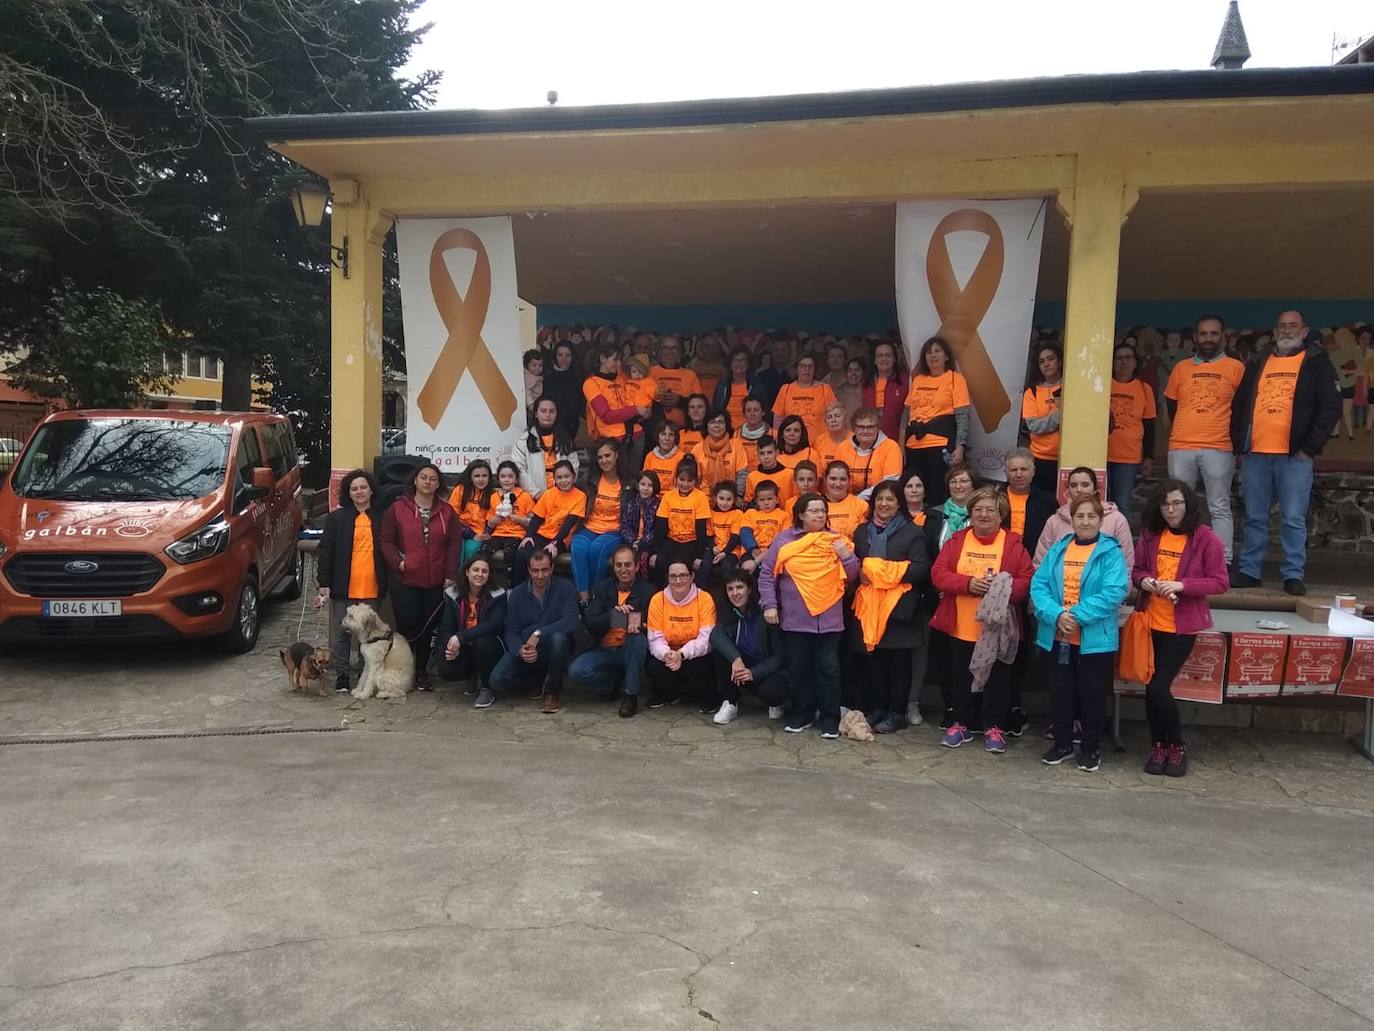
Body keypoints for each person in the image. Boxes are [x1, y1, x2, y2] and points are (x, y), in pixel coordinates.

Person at [1230, 309, 1341, 595]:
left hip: (1295, 457)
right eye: (1282, 326)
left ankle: (1293, 574)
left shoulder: (1317, 363)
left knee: (1293, 518)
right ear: (1274, 330)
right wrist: (1238, 442)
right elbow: (1240, 403)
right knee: (1254, 516)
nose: (1287, 330)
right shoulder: (1258, 361)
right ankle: (1250, 571)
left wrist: (1309, 448)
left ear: (1304, 331)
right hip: (1255, 454)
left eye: (1293, 326)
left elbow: (1330, 408)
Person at [1132, 479, 1230, 777]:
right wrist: (1146, 581)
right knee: (1151, 689)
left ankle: (1176, 746)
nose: (1171, 510)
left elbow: (1220, 582)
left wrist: (1182, 585)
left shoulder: (1205, 539)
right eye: (1165, 504)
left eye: (1177, 503)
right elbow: (1137, 571)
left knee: (1160, 687)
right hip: (1151, 621)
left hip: (1181, 626)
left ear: (1188, 505)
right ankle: (1157, 745)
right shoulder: (1150, 535)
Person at [1031, 495, 1130, 772]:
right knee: (1061, 693)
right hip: (1058, 635)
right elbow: (1039, 587)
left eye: (1091, 516)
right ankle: (1062, 743)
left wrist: (1075, 616)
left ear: (1100, 520)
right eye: (1080, 516)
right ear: (1072, 520)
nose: (1085, 521)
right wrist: (1056, 615)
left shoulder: (1111, 552)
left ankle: (1090, 748)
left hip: (1094, 640)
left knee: (1092, 695)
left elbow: (1114, 592)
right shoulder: (1058, 550)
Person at [930, 487, 1032, 754]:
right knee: (960, 678)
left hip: (997, 631)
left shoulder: (1013, 543)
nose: (984, 514)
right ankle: (961, 723)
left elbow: (1027, 581)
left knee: (998, 680)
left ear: (1001, 515)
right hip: (961, 626)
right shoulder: (958, 540)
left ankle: (995, 726)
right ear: (970, 513)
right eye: (978, 510)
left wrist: (1002, 586)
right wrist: (969, 584)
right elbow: (938, 573)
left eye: (991, 510)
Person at [758, 492, 859, 738]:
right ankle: (802, 714)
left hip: (829, 620)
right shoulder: (784, 540)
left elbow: (854, 575)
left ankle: (829, 718)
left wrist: (845, 556)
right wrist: (770, 605)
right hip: (795, 619)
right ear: (801, 514)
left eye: (823, 511)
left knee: (829, 670)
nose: (819, 515)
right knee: (799, 670)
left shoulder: (837, 541)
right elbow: (767, 574)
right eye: (813, 511)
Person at [847, 480, 931, 733]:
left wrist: (881, 571)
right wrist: (862, 570)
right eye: (880, 499)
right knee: (876, 661)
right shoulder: (862, 531)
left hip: (898, 606)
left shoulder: (912, 532)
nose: (884, 504)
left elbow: (920, 569)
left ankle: (897, 712)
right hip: (870, 606)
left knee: (899, 663)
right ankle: (878, 708)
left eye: (890, 500)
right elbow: (856, 564)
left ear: (899, 504)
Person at [1163, 314, 1245, 564]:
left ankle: (1222, 562)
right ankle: (1180, 559)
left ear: (1223, 337)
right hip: (1181, 446)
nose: (1208, 338)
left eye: (1213, 334)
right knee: (1177, 506)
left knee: (1219, 507)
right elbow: (1172, 405)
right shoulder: (1181, 368)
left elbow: (1243, 410)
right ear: (1195, 337)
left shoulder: (1236, 368)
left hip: (1219, 446)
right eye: (1203, 334)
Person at [380, 462, 466, 692]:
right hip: (404, 580)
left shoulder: (447, 512)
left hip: (436, 580)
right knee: (408, 626)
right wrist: (398, 562)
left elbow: (455, 542)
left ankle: (421, 672)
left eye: (433, 479)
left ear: (438, 484)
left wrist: (450, 574)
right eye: (424, 477)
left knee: (427, 629)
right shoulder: (397, 508)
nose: (428, 482)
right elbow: (386, 540)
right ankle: (402, 670)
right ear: (415, 481)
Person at [315, 469, 386, 694]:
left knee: (369, 635)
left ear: (371, 489)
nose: (359, 492)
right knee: (341, 635)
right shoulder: (337, 518)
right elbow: (325, 551)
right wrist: (323, 582)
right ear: (348, 493)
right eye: (354, 488)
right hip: (343, 586)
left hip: (373, 585)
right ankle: (343, 675)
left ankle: (367, 675)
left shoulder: (383, 517)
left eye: (363, 487)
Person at [486, 548, 579, 713]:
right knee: (497, 680)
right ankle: (537, 678)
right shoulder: (517, 594)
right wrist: (520, 651)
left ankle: (552, 692)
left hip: (553, 644)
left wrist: (539, 633)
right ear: (528, 570)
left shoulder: (566, 588)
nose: (540, 575)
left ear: (551, 569)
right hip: (526, 647)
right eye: (535, 571)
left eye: (544, 570)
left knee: (559, 639)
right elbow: (510, 630)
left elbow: (571, 621)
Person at [570, 545, 653, 718]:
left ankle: (630, 696)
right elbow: (591, 622)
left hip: (630, 649)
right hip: (604, 648)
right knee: (577, 671)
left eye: (628, 565)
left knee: (637, 641)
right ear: (614, 567)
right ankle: (611, 685)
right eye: (619, 565)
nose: (623, 570)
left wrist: (634, 624)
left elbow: (651, 624)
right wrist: (615, 616)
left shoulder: (648, 591)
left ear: (637, 566)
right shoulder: (603, 588)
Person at [710, 570, 789, 725]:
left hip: (768, 671)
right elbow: (715, 634)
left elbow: (780, 656)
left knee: (772, 692)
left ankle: (775, 704)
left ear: (750, 589)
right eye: (730, 589)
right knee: (720, 651)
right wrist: (736, 659)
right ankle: (730, 702)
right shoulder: (727, 612)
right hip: (742, 669)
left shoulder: (765, 613)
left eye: (740, 587)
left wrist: (754, 673)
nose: (735, 593)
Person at [904, 335, 972, 507]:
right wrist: (900, 445)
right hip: (914, 445)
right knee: (915, 494)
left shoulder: (955, 379)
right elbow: (907, 414)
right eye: (928, 352)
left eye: (937, 351)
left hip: (940, 444)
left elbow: (962, 416)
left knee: (937, 493)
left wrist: (960, 447)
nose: (933, 355)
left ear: (946, 356)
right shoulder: (918, 380)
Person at [898, 470, 943, 727]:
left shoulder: (936, 518)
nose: (914, 490)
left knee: (921, 648)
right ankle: (895, 700)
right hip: (896, 589)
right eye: (909, 486)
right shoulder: (893, 517)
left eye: (919, 485)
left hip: (925, 592)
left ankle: (913, 701)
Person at [646, 561, 718, 712]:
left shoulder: (704, 599)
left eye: (683, 575)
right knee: (655, 664)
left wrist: (682, 654)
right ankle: (669, 695)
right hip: (670, 653)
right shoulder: (657, 600)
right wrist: (667, 654)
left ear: (692, 576)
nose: (678, 581)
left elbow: (707, 639)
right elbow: (655, 638)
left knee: (701, 666)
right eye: (673, 576)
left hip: (694, 654)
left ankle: (704, 696)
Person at [1034, 466, 1134, 568]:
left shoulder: (1117, 519)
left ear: (1095, 489)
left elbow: (1126, 563)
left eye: (1085, 485)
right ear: (1068, 490)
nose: (1079, 489)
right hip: (1060, 583)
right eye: (1073, 485)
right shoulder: (1054, 521)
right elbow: (1041, 562)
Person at [437, 555, 507, 699]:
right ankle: (471, 675)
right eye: (475, 570)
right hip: (464, 645)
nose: (480, 574)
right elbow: (446, 627)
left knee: (482, 643)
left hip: (490, 645)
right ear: (467, 572)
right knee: (447, 669)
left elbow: (493, 625)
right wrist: (451, 647)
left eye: (484, 571)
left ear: (489, 574)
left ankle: (487, 687)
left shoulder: (498, 595)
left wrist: (461, 637)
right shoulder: (453, 594)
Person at [571, 439, 628, 601]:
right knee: (579, 549)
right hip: (589, 527)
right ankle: (584, 599)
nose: (604, 460)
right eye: (600, 457)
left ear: (616, 455)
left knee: (597, 549)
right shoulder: (590, 479)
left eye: (608, 455)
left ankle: (597, 596)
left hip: (614, 530)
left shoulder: (629, 482)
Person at [512, 460, 585, 586]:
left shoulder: (580, 496)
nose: (563, 481)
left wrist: (555, 543)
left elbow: (569, 523)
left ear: (573, 477)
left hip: (561, 539)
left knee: (543, 559)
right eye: (559, 477)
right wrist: (528, 535)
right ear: (554, 479)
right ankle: (516, 590)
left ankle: (543, 592)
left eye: (567, 476)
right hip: (542, 534)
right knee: (522, 552)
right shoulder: (549, 494)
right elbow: (537, 518)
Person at [1107, 342, 1157, 513]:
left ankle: (1121, 541)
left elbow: (1150, 425)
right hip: (1101, 454)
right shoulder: (1103, 385)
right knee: (1100, 504)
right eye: (1119, 358)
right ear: (1112, 362)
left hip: (1129, 457)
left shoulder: (1144, 389)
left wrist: (1148, 457)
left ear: (1136, 362)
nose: (1123, 362)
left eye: (1128, 357)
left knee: (1123, 504)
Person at [651, 459, 711, 583]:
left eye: (690, 481)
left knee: (680, 565)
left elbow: (701, 529)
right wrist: (655, 552)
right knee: (660, 561)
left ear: (696, 481)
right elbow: (661, 526)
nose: (685, 484)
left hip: (691, 542)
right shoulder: (668, 497)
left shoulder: (700, 497)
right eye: (682, 480)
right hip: (672, 539)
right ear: (676, 479)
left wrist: (699, 556)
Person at [510, 396, 578, 500]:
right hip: (533, 499)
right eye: (543, 411)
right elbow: (518, 469)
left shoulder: (566, 440)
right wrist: (536, 493)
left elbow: (574, 466)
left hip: (563, 497)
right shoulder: (524, 440)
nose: (548, 415)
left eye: (552, 411)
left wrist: (564, 490)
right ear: (536, 414)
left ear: (557, 414)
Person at [585, 342, 651, 443]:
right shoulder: (591, 383)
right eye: (615, 360)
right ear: (602, 358)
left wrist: (646, 408)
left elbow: (637, 394)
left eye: (620, 360)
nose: (619, 364)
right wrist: (636, 410)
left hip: (637, 433)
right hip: (612, 439)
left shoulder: (621, 376)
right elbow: (606, 416)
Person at [1022, 342, 1064, 494]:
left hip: (1068, 457)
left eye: (1050, 359)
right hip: (1040, 458)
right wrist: (1062, 416)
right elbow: (1034, 426)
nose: (1046, 364)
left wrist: (1049, 420)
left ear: (1059, 361)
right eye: (1041, 361)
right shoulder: (1032, 392)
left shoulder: (1072, 387)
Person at [833, 407, 903, 498]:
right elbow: (835, 477)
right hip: (847, 501)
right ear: (854, 428)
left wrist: (860, 498)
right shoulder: (843, 447)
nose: (865, 431)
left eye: (870, 427)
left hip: (880, 500)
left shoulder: (891, 447)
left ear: (878, 428)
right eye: (861, 427)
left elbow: (890, 481)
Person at [1003, 448, 1056, 561]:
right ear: (1005, 472)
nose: (1018, 474)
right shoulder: (995, 498)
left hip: (1035, 563)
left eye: (1024, 469)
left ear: (1033, 471)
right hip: (999, 561)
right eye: (1013, 470)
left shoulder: (1047, 502)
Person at [773, 354, 838, 444]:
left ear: (815, 369)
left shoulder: (825, 389)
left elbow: (835, 417)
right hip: (791, 445)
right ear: (796, 369)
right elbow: (778, 420)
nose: (807, 369)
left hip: (820, 443)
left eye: (810, 366)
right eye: (803, 366)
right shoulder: (786, 389)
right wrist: (778, 441)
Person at [483, 460, 533, 568]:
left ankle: (510, 583)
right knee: (482, 552)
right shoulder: (494, 497)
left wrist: (520, 520)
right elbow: (489, 523)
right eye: (503, 476)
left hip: (517, 534)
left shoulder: (524, 496)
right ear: (498, 479)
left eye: (510, 476)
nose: (507, 480)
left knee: (510, 553)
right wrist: (494, 520)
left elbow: (532, 522)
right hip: (497, 534)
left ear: (516, 479)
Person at [691, 409, 748, 498]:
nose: (716, 425)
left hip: (730, 498)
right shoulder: (697, 448)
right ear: (706, 426)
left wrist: (739, 496)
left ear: (726, 425)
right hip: (703, 497)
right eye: (712, 422)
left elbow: (742, 475)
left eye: (720, 422)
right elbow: (693, 477)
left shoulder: (736, 445)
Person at [447, 459, 494, 566]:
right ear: (470, 478)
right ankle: (454, 580)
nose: (481, 479)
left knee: (471, 550)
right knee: (456, 548)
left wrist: (485, 534)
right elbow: (451, 517)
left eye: (484, 476)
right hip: (459, 530)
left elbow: (490, 521)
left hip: (479, 534)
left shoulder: (493, 495)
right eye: (477, 476)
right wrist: (470, 534)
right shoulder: (459, 490)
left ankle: (467, 579)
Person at [863, 340, 909, 441]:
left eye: (888, 355)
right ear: (874, 360)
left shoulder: (906, 381)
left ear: (894, 359)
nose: (884, 358)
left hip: (898, 441)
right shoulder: (866, 385)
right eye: (880, 356)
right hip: (871, 441)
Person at [701, 480, 744, 587]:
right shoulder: (711, 513)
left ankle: (726, 593)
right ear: (715, 498)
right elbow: (709, 535)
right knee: (705, 564)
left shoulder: (737, 514)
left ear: (734, 499)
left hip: (731, 550)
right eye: (721, 498)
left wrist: (724, 552)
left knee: (727, 566)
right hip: (715, 548)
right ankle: (702, 592)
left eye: (729, 499)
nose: (724, 503)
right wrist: (713, 547)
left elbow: (735, 537)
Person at [650, 335, 704, 419]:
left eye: (674, 348)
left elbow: (701, 404)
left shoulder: (690, 375)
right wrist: (658, 400)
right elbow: (639, 401)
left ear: (680, 353)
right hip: (655, 426)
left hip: (684, 427)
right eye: (666, 348)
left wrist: (680, 401)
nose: (670, 351)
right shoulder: (649, 373)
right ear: (659, 352)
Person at [739, 481, 787, 573]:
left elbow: (782, 538)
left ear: (777, 499)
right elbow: (745, 533)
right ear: (756, 501)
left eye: (769, 499)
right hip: (750, 551)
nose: (766, 503)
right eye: (762, 500)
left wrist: (762, 556)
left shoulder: (784, 516)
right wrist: (754, 550)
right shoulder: (750, 513)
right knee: (746, 567)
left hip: (773, 552)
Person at [621, 470, 661, 578]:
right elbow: (625, 526)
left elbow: (657, 530)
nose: (646, 488)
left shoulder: (659, 505)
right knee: (625, 557)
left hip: (649, 544)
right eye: (643, 484)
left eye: (650, 485)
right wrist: (633, 541)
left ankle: (645, 586)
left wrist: (641, 543)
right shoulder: (632, 503)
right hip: (632, 541)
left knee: (643, 558)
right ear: (638, 485)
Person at [542, 342, 584, 439]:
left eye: (567, 355)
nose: (564, 359)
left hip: (572, 424)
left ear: (573, 356)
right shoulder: (548, 377)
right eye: (560, 355)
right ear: (555, 356)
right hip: (552, 423)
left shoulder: (578, 376)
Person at [821, 461, 867, 543]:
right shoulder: (815, 504)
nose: (838, 484)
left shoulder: (861, 505)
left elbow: (864, 537)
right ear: (825, 479)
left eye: (843, 479)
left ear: (849, 481)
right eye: (833, 478)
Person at [744, 435, 796, 504]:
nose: (766, 457)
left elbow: (796, 500)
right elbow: (749, 502)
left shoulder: (790, 474)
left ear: (777, 453)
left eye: (769, 452)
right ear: (757, 455)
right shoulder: (752, 477)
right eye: (762, 453)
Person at [937, 462, 977, 549]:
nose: (957, 486)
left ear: (974, 485)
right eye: (953, 481)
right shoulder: (935, 514)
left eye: (963, 481)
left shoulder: (981, 514)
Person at [713, 348, 755, 427]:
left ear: (748, 364)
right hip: (724, 429)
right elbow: (716, 410)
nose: (739, 364)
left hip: (749, 430)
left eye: (742, 360)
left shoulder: (755, 386)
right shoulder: (722, 386)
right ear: (730, 364)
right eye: (735, 360)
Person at [734, 395, 772, 470]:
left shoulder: (773, 434)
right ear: (744, 413)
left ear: (763, 412)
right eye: (748, 410)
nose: (752, 414)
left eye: (756, 410)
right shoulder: (736, 434)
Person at [642, 421, 685, 486]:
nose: (667, 438)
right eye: (663, 434)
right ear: (658, 437)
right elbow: (645, 482)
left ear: (675, 438)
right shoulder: (650, 456)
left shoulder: (682, 457)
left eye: (671, 435)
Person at [815, 402, 850, 470]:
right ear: (825, 421)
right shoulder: (819, 441)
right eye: (829, 417)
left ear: (845, 419)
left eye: (837, 416)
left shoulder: (855, 439)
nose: (833, 420)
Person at [522, 348, 544, 418]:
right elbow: (527, 391)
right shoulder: (530, 378)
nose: (537, 368)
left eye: (540, 366)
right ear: (527, 365)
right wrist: (531, 404)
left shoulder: (535, 376)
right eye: (534, 365)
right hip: (532, 405)